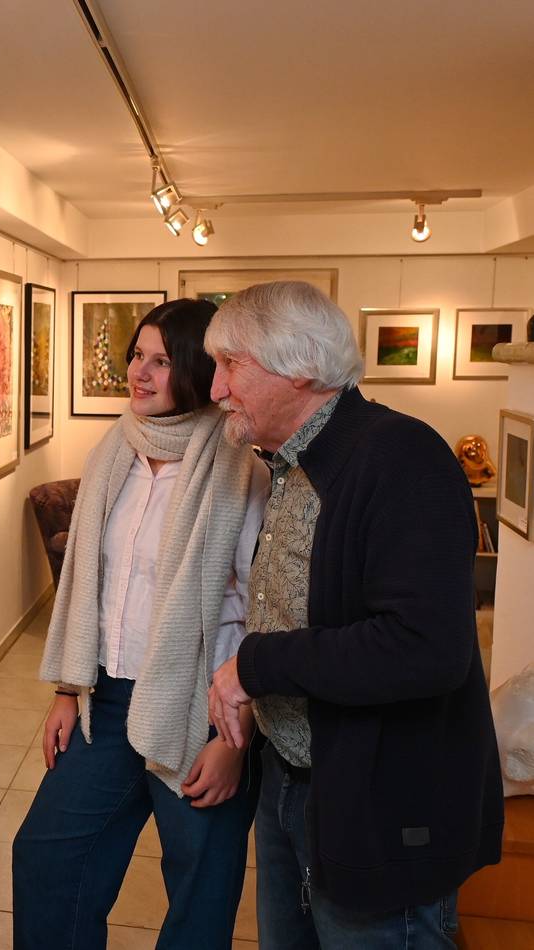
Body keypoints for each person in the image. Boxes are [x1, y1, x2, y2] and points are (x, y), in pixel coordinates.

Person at [206, 281, 504, 948]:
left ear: (300, 367)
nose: (217, 388)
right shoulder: (291, 463)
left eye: (230, 364)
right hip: (292, 781)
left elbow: (425, 649)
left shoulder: (402, 458)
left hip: (379, 805)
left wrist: (254, 666)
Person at [13, 297, 269, 950]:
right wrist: (67, 690)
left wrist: (235, 738)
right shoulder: (113, 455)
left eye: (161, 361)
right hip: (107, 698)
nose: (139, 373)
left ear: (197, 370)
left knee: (199, 889)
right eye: (136, 356)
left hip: (202, 708)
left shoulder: (243, 474)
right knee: (47, 858)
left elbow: (263, 614)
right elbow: (88, 586)